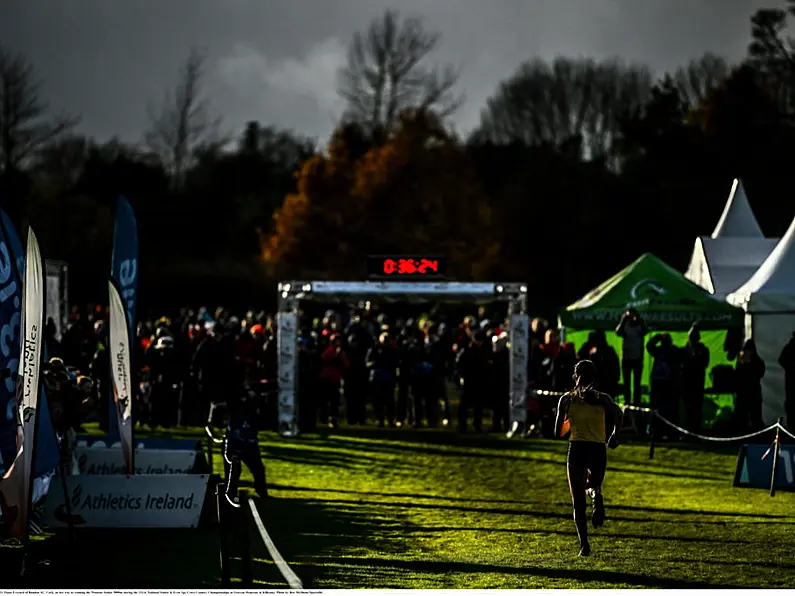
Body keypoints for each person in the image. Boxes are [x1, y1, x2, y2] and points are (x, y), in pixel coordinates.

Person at [554, 360, 622, 557]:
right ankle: (596, 494)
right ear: (594, 378)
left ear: (575, 377)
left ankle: (584, 545)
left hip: (577, 449)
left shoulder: (566, 400)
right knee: (593, 484)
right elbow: (619, 414)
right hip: (598, 449)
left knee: (577, 501)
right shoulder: (603, 398)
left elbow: (558, 432)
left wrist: (570, 421)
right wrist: (615, 434)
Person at [222, 381, 268, 508]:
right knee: (233, 471)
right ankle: (229, 494)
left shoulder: (255, 405)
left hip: (249, 443)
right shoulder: (234, 404)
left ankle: (262, 493)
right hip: (234, 442)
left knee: (258, 469)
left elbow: (262, 419)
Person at [680, 324, 710, 433]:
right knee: (688, 409)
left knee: (696, 409)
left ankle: (695, 430)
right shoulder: (684, 350)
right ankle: (689, 430)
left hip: (697, 383)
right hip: (687, 383)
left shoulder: (703, 349)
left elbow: (704, 363)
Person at [616, 309, 647, 408]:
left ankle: (637, 402)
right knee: (627, 383)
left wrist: (639, 319)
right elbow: (618, 332)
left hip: (637, 358)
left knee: (637, 383)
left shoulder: (639, 326)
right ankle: (627, 401)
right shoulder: (625, 326)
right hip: (627, 358)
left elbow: (646, 330)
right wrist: (623, 320)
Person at [735, 339, 765, 432]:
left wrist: (748, 365)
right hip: (743, 392)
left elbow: (759, 373)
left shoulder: (757, 362)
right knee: (742, 416)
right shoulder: (741, 361)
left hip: (753, 392)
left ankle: (757, 435)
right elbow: (737, 374)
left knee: (755, 416)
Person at [778, 331, 795, 428]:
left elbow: (781, 360)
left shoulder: (789, 347)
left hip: (790, 381)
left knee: (791, 405)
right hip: (791, 381)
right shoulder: (790, 347)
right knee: (791, 405)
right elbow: (782, 360)